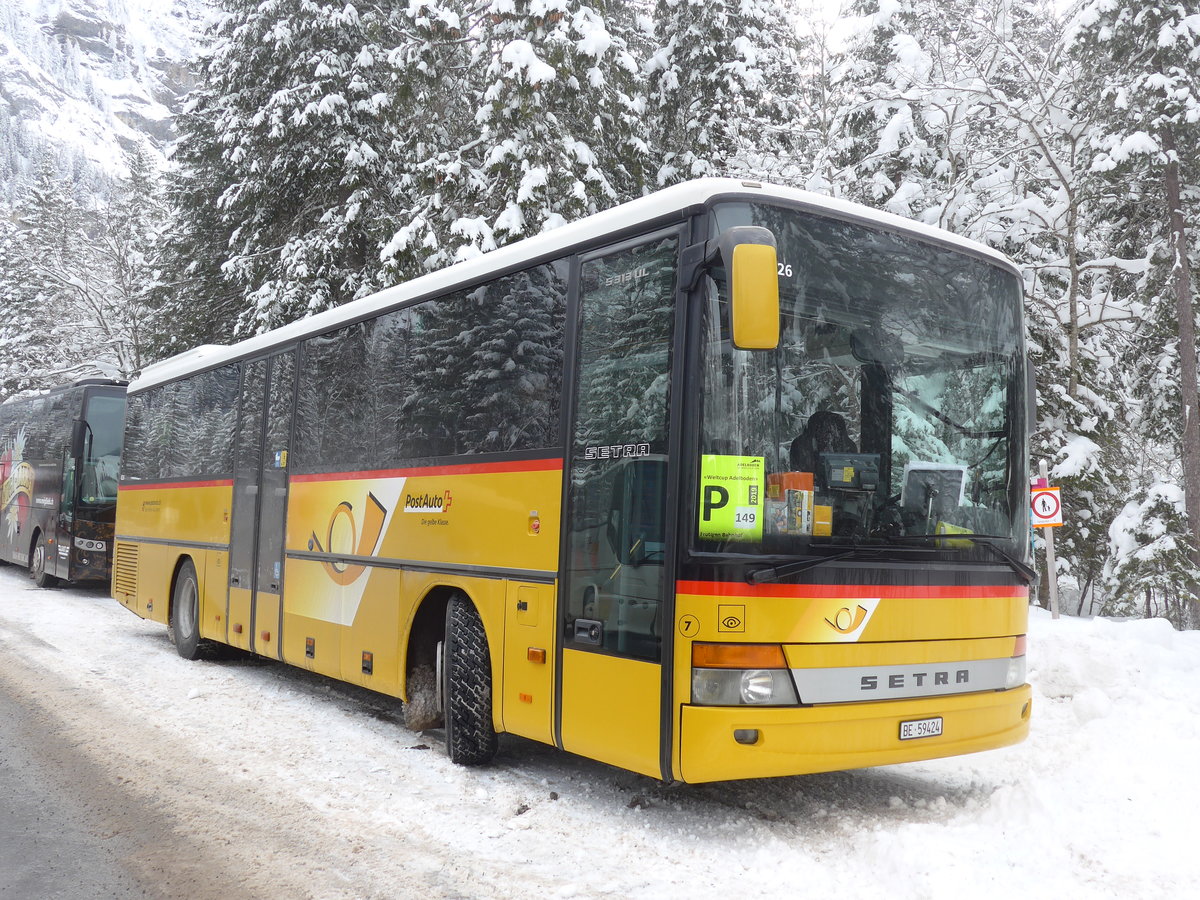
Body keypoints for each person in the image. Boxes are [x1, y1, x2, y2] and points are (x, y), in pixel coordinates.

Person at [789, 410, 856, 477]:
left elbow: (852, 476)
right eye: (826, 431)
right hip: (808, 485)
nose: (829, 436)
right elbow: (798, 477)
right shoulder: (802, 446)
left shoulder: (847, 447)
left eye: (833, 431)